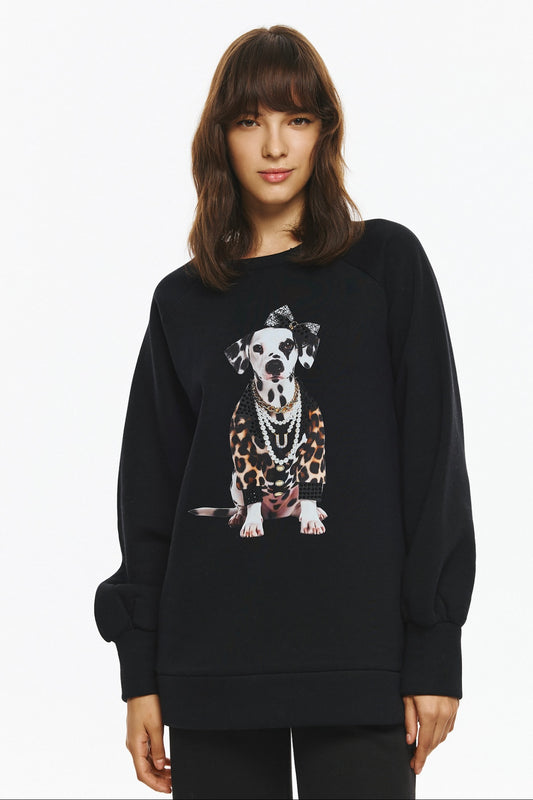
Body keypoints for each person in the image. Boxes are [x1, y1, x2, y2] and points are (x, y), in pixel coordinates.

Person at [94, 24, 476, 800]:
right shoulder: (182, 301)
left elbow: (432, 466)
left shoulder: (385, 265)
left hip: (359, 658)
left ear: (323, 131)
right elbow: (150, 496)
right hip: (209, 664)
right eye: (249, 120)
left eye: (296, 119)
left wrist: (434, 648)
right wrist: (141, 675)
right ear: (220, 137)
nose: (274, 145)